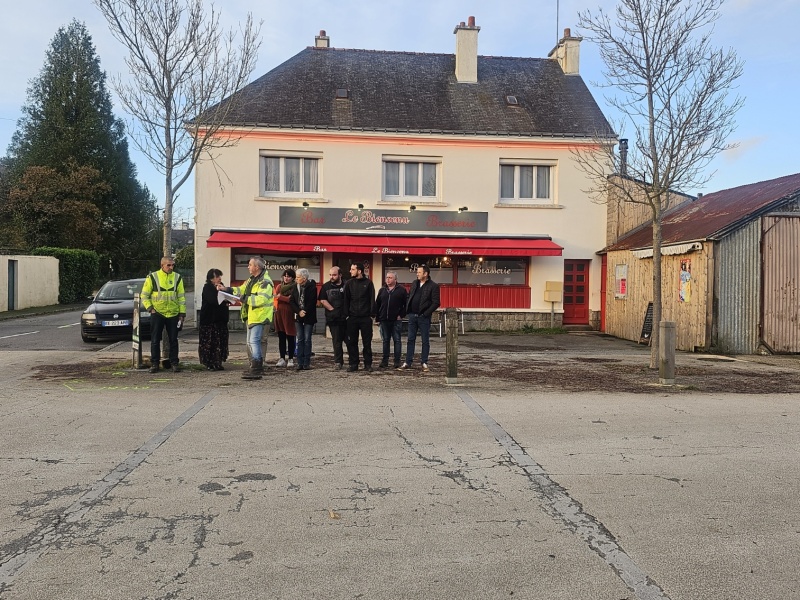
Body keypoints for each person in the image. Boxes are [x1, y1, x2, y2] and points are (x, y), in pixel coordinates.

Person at [218, 257, 274, 380]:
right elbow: (241, 289)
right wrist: (227, 289)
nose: (248, 267)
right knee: (250, 342)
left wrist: (243, 299)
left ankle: (256, 369)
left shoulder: (265, 282)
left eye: (250, 265)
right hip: (252, 315)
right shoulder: (252, 279)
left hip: (260, 316)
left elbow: (261, 299)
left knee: (254, 342)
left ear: (257, 267)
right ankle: (255, 368)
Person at [141, 256, 186, 373]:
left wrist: (182, 313)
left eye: (173, 265)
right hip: (158, 313)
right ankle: (155, 363)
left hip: (173, 313)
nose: (171, 267)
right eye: (169, 265)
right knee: (155, 340)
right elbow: (144, 295)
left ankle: (174, 363)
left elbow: (181, 297)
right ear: (162, 265)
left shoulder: (177, 277)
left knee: (173, 340)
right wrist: (150, 309)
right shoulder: (153, 277)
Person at [398, 264, 440, 373]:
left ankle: (424, 362)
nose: (417, 274)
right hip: (412, 315)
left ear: (425, 274)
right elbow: (409, 296)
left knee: (425, 340)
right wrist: (408, 309)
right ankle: (408, 362)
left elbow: (436, 302)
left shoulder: (433, 286)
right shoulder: (415, 283)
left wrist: (426, 313)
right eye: (417, 272)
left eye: (419, 272)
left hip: (423, 317)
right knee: (410, 339)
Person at [343, 262, 376, 372]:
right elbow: (346, 300)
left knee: (367, 342)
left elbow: (372, 299)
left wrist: (372, 315)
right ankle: (353, 364)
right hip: (352, 317)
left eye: (353, 269)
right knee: (352, 342)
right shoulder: (349, 283)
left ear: (359, 271)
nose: (350, 271)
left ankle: (368, 364)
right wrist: (346, 315)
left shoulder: (368, 283)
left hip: (365, 317)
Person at [374, 270, 408, 368]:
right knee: (385, 340)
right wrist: (377, 317)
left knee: (397, 340)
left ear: (395, 279)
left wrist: (401, 315)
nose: (388, 279)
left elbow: (406, 304)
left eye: (390, 278)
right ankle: (385, 361)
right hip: (384, 319)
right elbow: (378, 304)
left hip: (396, 320)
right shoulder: (382, 290)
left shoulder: (401, 290)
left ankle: (397, 361)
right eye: (387, 277)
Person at [198, 268, 231, 371]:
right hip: (209, 320)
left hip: (220, 320)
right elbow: (213, 301)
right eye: (217, 277)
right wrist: (221, 297)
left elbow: (227, 297)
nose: (219, 278)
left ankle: (218, 362)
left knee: (220, 341)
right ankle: (210, 363)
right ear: (211, 279)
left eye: (219, 276)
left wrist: (227, 298)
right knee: (210, 342)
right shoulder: (207, 288)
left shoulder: (222, 286)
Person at [318, 266, 347, 370]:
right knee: (337, 341)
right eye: (330, 275)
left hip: (346, 318)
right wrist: (333, 310)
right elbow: (322, 300)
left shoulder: (347, 285)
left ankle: (353, 361)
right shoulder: (326, 286)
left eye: (334, 275)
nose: (332, 277)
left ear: (340, 275)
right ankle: (338, 362)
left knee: (350, 341)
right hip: (333, 319)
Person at [274, 268, 298, 368]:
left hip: (289, 313)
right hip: (279, 313)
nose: (286, 278)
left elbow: (291, 299)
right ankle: (282, 357)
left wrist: (281, 297)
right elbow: (275, 297)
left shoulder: (295, 287)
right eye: (285, 276)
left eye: (288, 276)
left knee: (290, 335)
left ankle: (291, 358)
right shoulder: (279, 286)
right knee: (281, 336)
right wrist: (280, 297)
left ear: (293, 278)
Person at [294, 268, 318, 370]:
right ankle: (299, 362)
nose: (296, 279)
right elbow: (292, 301)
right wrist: (298, 311)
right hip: (298, 316)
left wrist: (305, 311)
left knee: (307, 339)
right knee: (300, 339)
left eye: (298, 277)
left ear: (304, 278)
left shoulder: (312, 287)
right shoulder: (296, 287)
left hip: (309, 316)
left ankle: (306, 362)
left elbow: (312, 302)